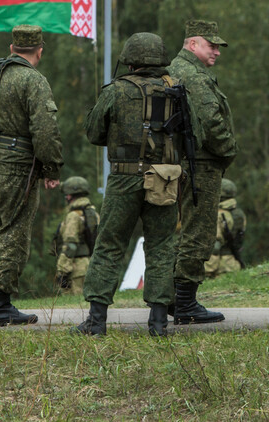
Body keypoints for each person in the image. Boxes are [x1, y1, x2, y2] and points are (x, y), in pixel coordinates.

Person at [75, 32, 185, 336]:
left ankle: (96, 322)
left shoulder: (116, 91)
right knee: (162, 247)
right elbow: (193, 136)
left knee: (109, 244)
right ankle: (159, 324)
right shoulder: (175, 91)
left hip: (124, 177)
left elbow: (94, 132)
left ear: (130, 60)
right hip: (164, 178)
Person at [0, 24, 63, 326]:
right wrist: (51, 168)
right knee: (14, 234)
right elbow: (45, 130)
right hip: (18, 168)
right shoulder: (33, 81)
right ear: (39, 50)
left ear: (12, 48)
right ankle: (0, 307)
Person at [167, 19, 236, 324]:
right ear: (192, 44)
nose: (217, 52)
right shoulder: (193, 75)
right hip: (201, 163)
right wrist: (228, 150)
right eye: (212, 45)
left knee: (177, 230)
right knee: (199, 230)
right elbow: (211, 121)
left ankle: (170, 297)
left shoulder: (171, 69)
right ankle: (185, 303)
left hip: (176, 162)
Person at [55, 176, 98, 296]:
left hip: (75, 269)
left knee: (74, 306)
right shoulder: (93, 214)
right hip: (90, 266)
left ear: (70, 196)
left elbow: (70, 245)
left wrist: (62, 271)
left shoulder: (73, 216)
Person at [204, 178, 246, 278]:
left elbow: (215, 245)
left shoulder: (219, 214)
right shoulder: (239, 213)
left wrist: (206, 270)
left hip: (219, 266)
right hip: (233, 264)